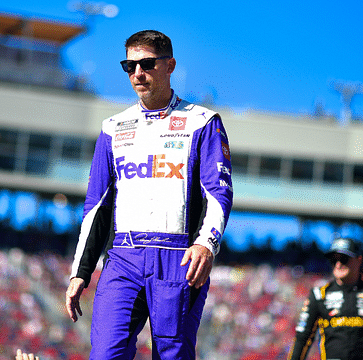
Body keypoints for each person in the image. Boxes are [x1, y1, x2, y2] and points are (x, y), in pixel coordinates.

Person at [65, 30, 233, 359]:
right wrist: (80, 272)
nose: (138, 73)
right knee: (104, 354)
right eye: (130, 65)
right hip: (123, 259)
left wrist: (206, 243)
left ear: (169, 65)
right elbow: (96, 206)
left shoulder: (202, 122)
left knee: (172, 355)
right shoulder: (112, 127)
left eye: (147, 63)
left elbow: (219, 192)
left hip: (178, 259)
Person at [287, 237, 363, 360]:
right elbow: (302, 338)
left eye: (344, 259)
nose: (338, 264)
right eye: (333, 260)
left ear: (359, 260)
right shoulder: (319, 295)